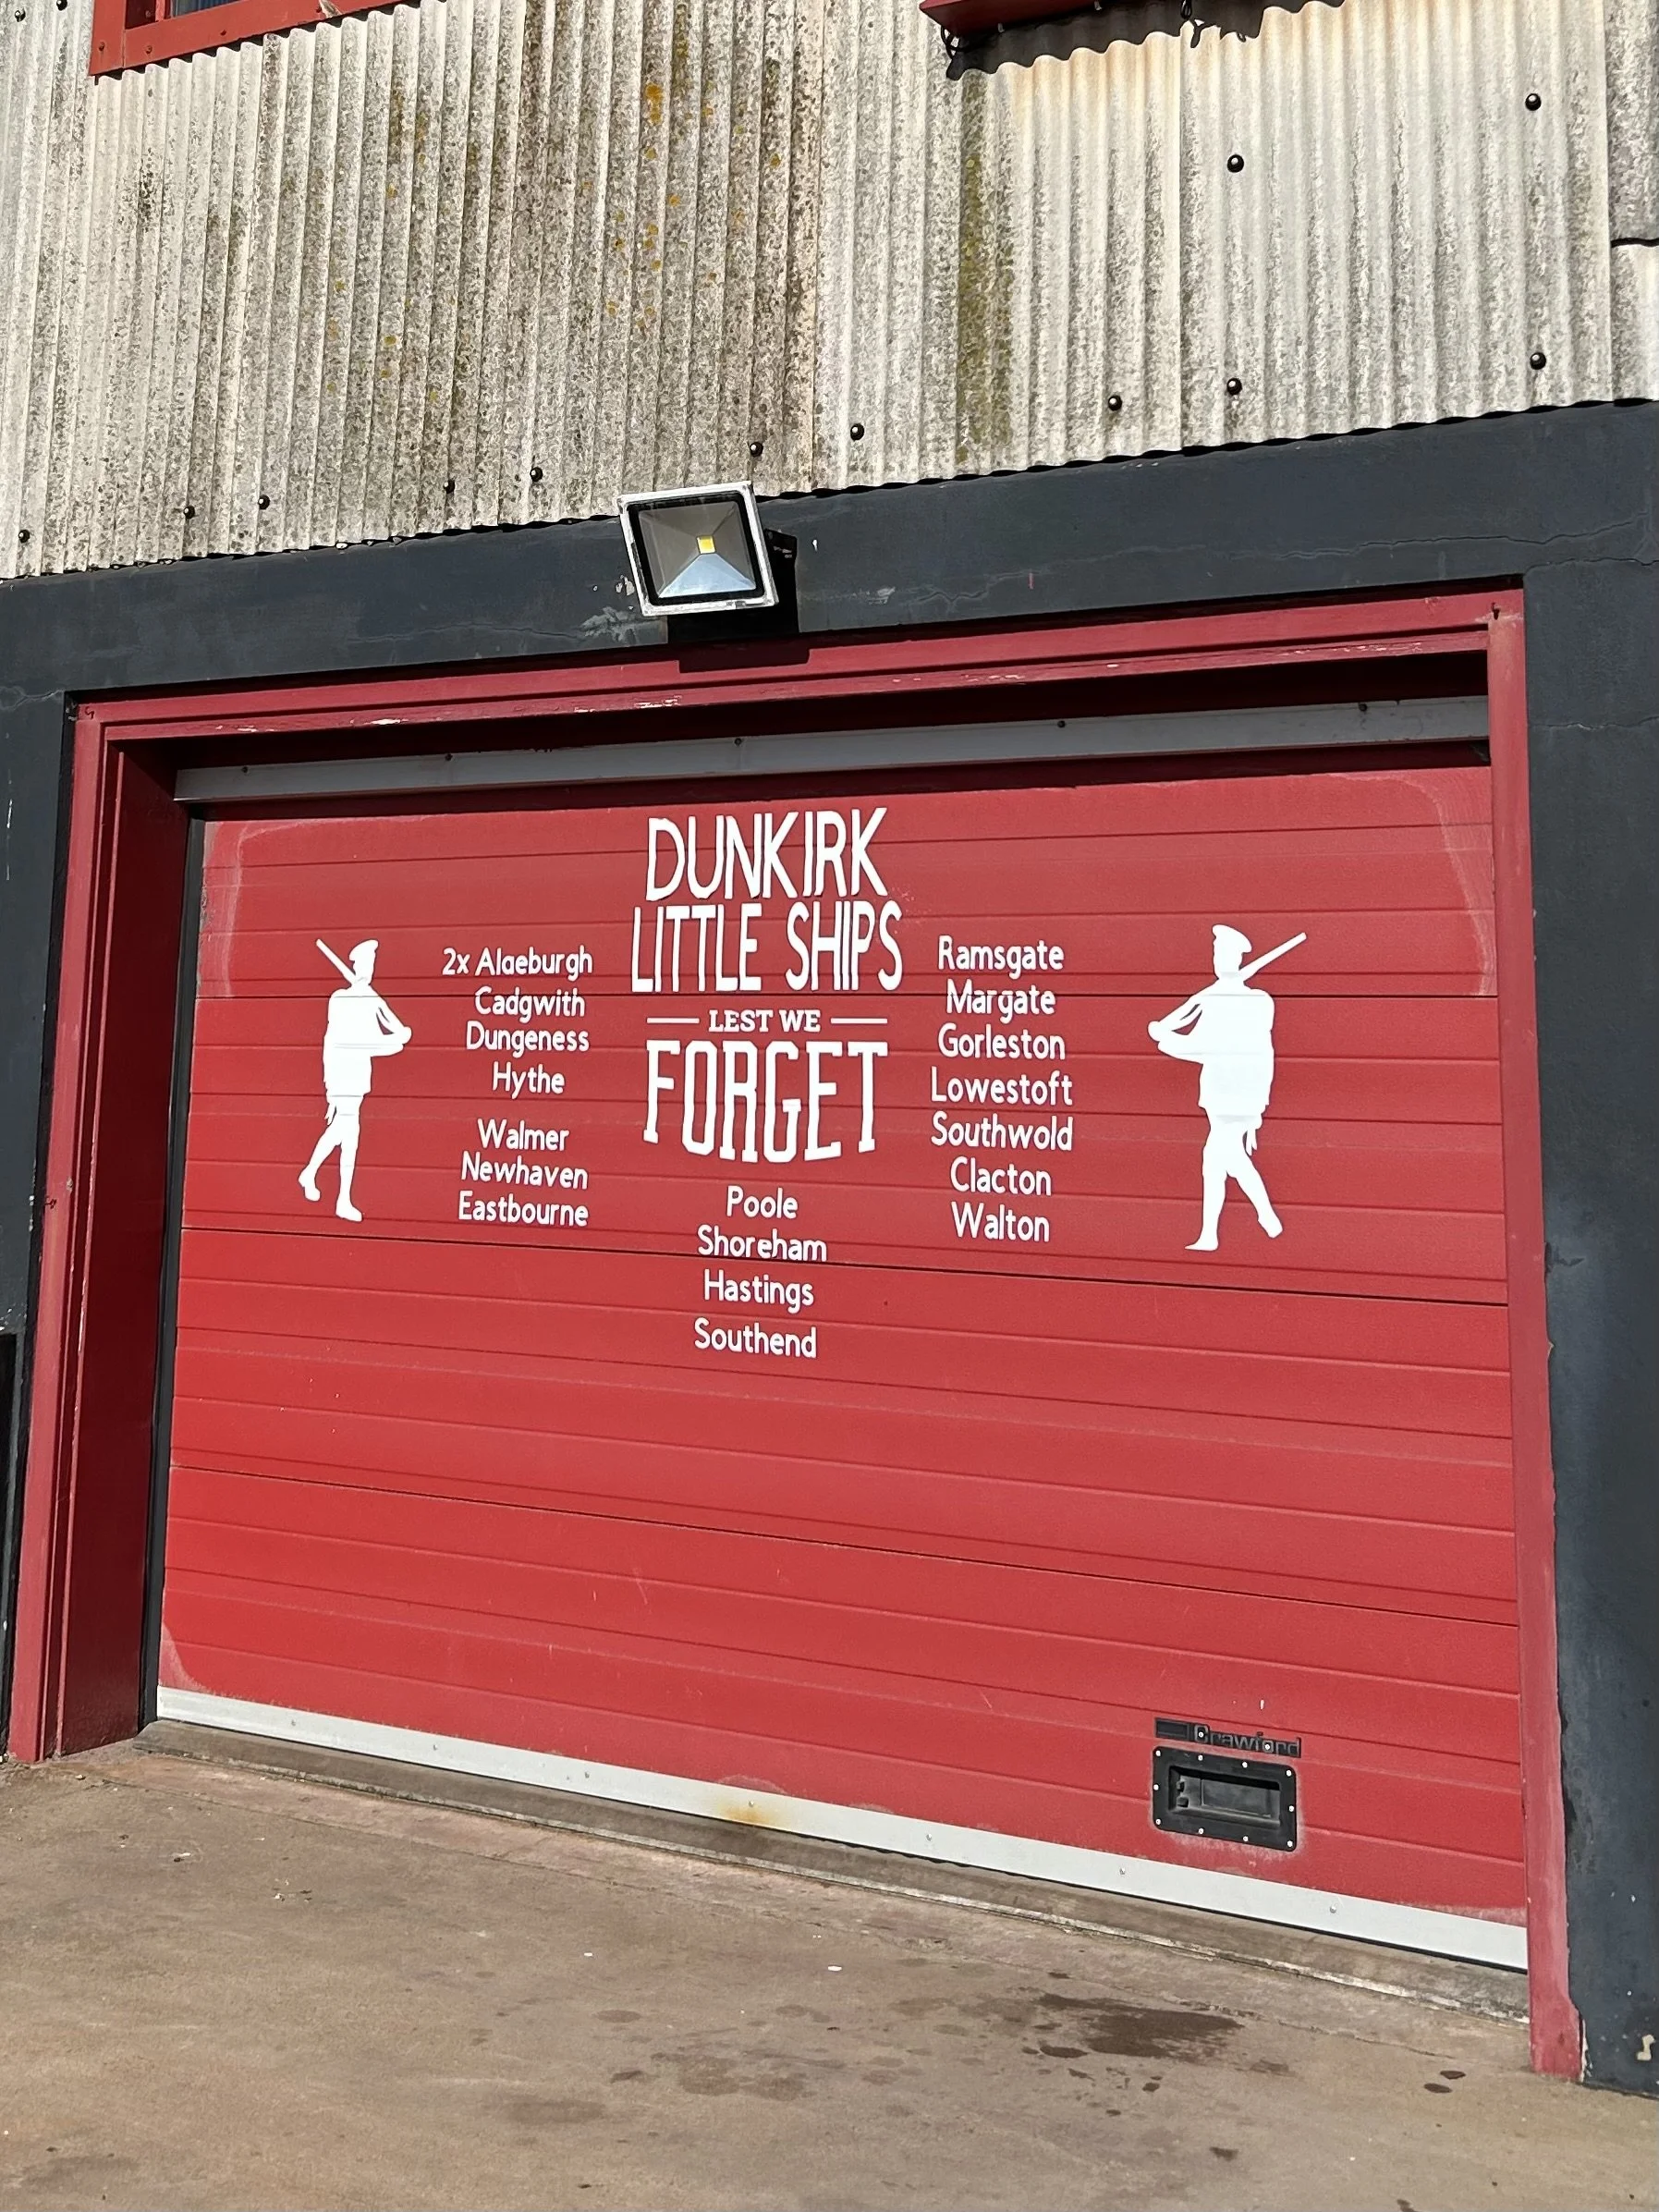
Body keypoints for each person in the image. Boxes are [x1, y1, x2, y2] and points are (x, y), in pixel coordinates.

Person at [1149, 924, 1283, 1252]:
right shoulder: (1212, 999)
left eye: (1225, 952)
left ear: (1238, 958)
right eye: (1216, 952)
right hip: (1219, 1096)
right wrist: (1167, 1033)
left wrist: (1166, 1040)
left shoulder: (1256, 1002)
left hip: (1238, 1098)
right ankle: (1253, 1221)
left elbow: (1207, 1046)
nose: (1218, 957)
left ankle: (1230, 1228)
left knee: (1215, 1158)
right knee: (1225, 1159)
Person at [299, 939, 410, 1222]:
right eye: (363, 964)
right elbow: (354, 1043)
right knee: (350, 1136)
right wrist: (395, 1041)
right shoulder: (342, 1000)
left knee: (342, 1133)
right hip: (342, 1079)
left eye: (371, 964)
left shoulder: (371, 1001)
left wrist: (398, 1035)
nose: (368, 969)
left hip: (358, 1080)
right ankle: (342, 1200)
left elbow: (387, 1035)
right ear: (354, 966)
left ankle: (310, 1173)